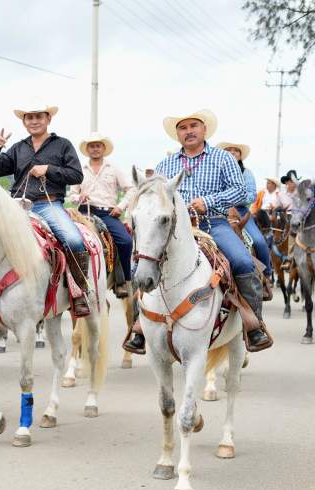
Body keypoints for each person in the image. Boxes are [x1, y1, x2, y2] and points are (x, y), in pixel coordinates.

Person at [131, 109, 271, 352]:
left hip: (214, 224)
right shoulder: (166, 163)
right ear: (178, 134)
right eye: (183, 128)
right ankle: (140, 326)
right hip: (174, 229)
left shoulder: (223, 158)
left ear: (204, 129)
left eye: (193, 126)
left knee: (242, 262)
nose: (189, 131)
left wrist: (208, 202)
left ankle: (253, 324)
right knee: (141, 264)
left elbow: (239, 191)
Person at [0, 103, 90, 317]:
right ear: (24, 122)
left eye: (38, 117)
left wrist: (48, 170)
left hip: (48, 204)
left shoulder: (62, 145)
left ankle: (79, 292)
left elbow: (76, 175)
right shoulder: (18, 148)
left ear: (48, 119)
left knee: (74, 240)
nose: (34, 121)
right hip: (17, 206)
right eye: (29, 117)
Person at [69, 132, 135, 298]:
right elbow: (72, 194)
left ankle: (123, 281)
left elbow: (131, 189)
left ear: (104, 148)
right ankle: (71, 282)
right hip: (83, 213)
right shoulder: (80, 169)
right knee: (65, 239)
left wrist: (120, 206)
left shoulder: (114, 168)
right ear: (87, 149)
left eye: (98, 145)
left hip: (107, 214)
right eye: (92, 146)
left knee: (125, 241)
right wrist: (78, 197)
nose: (95, 149)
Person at [217, 141, 272, 287]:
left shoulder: (247, 173)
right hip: (219, 211)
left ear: (241, 156)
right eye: (229, 150)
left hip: (241, 212)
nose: (232, 152)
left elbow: (251, 196)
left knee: (259, 241)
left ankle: (266, 275)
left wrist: (230, 197)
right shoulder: (215, 171)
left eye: (236, 151)